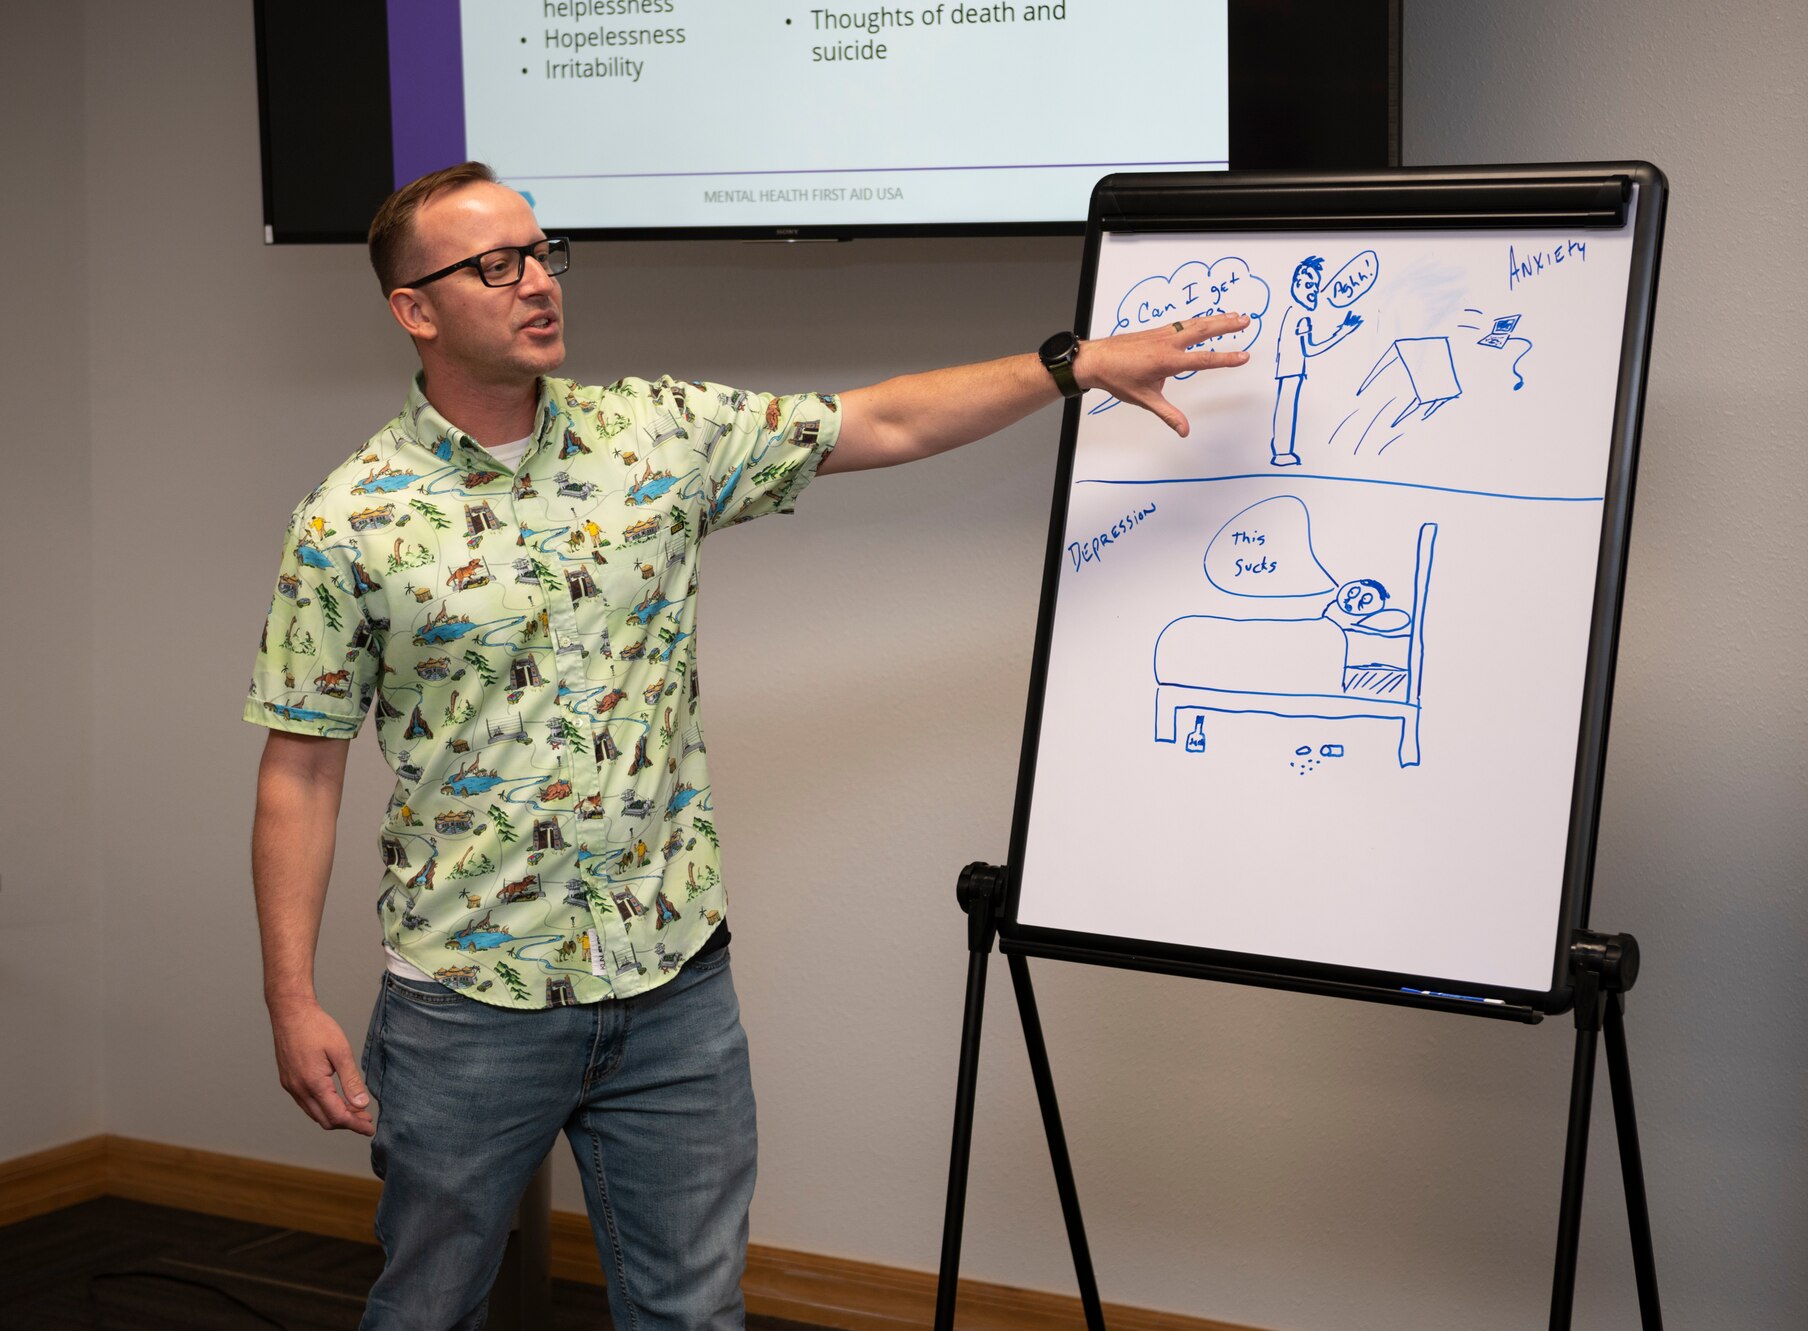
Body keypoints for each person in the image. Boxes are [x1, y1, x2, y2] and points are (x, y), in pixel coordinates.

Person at [247, 161, 1249, 1331]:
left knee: (692, 1311)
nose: (539, 283)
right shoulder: (350, 518)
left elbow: (881, 418)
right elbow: (299, 771)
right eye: (496, 265)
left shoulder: (655, 434)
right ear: (413, 308)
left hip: (674, 985)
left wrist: (1070, 363)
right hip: (469, 1000)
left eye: (542, 253)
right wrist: (290, 998)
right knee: (426, 1307)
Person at [1268, 255, 1364, 467]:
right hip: (1291, 369)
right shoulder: (1300, 316)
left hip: (1289, 368)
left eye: (1316, 286)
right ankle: (1282, 453)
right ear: (1297, 284)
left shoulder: (1294, 312)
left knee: (1285, 407)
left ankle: (1282, 450)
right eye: (1308, 285)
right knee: (1287, 408)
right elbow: (1310, 350)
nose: (1313, 291)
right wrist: (1342, 332)